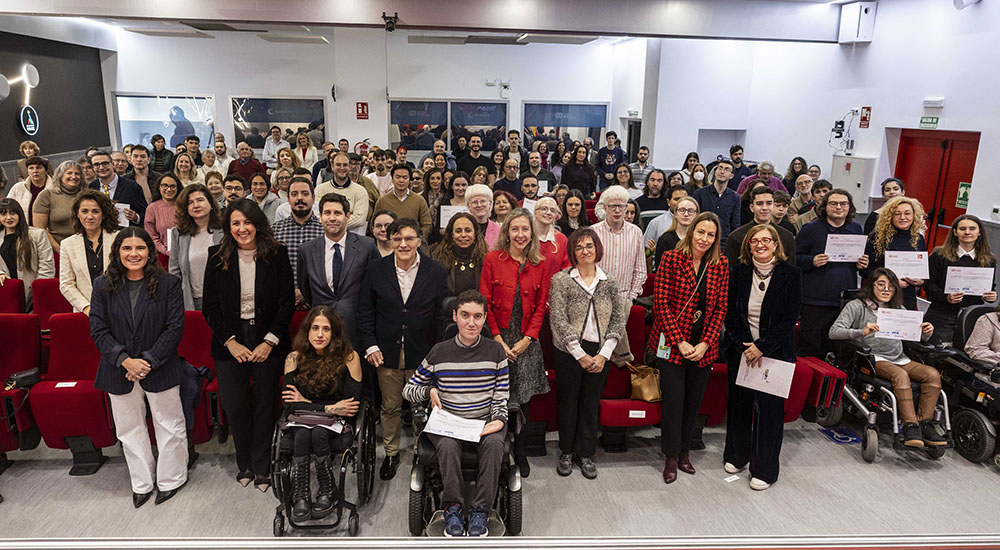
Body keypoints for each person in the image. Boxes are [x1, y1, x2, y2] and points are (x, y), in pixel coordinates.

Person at [89, 227, 187, 508]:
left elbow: (174, 327)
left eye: (140, 248)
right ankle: (142, 482)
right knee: (129, 429)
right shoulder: (101, 285)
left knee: (168, 425)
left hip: (161, 365)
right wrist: (124, 359)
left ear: (150, 251)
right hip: (117, 368)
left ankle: (171, 479)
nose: (134, 254)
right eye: (127, 249)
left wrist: (148, 360)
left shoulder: (168, 283)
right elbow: (98, 328)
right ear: (117, 252)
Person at [203, 199, 295, 491]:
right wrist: (230, 342)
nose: (242, 229)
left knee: (265, 405)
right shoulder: (216, 256)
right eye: (235, 223)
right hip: (230, 340)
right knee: (236, 406)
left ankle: (262, 465)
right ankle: (244, 461)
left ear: (258, 224)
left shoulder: (277, 254)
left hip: (268, 338)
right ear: (228, 227)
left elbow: (286, 303)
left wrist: (270, 341)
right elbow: (210, 307)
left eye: (247, 222)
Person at [402, 290, 509, 537]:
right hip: (448, 421)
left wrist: (499, 420)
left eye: (477, 316)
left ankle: (481, 510)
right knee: (448, 447)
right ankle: (452, 507)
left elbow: (501, 395)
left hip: (484, 420)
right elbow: (409, 389)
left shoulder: (496, 352)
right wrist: (429, 391)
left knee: (495, 445)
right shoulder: (439, 351)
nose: (471, 322)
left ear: (484, 319)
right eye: (465, 315)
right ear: (454, 316)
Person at [359, 218, 448, 481]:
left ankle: (422, 452)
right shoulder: (376, 269)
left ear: (420, 240)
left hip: (423, 351)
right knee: (390, 406)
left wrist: (437, 352)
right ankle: (391, 452)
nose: (403, 243)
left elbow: (443, 317)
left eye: (409, 238)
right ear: (390, 240)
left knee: (421, 406)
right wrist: (370, 345)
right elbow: (365, 311)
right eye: (397, 238)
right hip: (385, 349)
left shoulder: (436, 271)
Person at [648, 212, 729, 484]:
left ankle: (685, 452)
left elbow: (720, 308)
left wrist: (705, 343)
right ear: (691, 232)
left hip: (703, 344)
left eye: (711, 234)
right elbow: (661, 305)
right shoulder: (671, 258)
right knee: (674, 402)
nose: (705, 238)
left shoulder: (720, 264)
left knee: (693, 402)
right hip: (673, 342)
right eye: (701, 232)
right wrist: (679, 341)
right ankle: (671, 456)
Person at [723, 224, 801, 491]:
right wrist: (745, 344)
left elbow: (789, 318)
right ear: (748, 245)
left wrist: (763, 346)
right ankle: (736, 455)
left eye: (766, 240)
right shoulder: (738, 272)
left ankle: (765, 469)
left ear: (776, 244)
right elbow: (730, 313)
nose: (760, 244)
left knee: (769, 412)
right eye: (755, 241)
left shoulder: (791, 274)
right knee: (740, 406)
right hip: (742, 351)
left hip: (775, 354)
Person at [829, 268, 945, 447]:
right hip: (872, 358)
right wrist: (861, 331)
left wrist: (925, 333)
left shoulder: (898, 308)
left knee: (933, 374)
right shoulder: (856, 306)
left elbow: (914, 337)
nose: (886, 289)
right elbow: (834, 332)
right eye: (881, 284)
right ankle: (910, 425)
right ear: (871, 286)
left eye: (891, 286)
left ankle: (925, 424)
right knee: (900, 375)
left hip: (899, 357)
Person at [548, 228, 625, 479]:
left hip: (601, 350)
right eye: (579, 247)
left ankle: (587, 454)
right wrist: (578, 353)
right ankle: (567, 452)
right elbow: (558, 318)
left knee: (590, 403)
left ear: (597, 249)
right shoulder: (561, 280)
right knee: (568, 403)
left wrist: (604, 354)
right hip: (569, 351)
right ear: (572, 251)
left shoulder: (609, 281)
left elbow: (618, 319)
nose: (585, 251)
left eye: (589, 246)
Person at [480, 208, 551, 477]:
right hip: (497, 339)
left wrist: (527, 340)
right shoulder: (491, 260)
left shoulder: (540, 263)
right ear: (507, 232)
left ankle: (520, 451)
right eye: (515, 229)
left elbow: (540, 307)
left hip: (526, 341)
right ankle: (497, 450)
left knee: (523, 399)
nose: (520, 235)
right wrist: (497, 339)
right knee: (496, 397)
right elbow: (485, 302)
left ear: (531, 233)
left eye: (525, 229)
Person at [281, 306, 363, 521]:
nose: (319, 334)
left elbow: (351, 407)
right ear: (306, 331)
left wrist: (306, 403)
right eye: (315, 328)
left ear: (335, 333)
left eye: (326, 329)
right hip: (304, 420)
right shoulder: (293, 358)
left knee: (316, 433)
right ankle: (301, 493)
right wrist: (327, 408)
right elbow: (289, 406)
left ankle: (327, 489)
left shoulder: (350, 357)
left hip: (336, 424)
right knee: (303, 433)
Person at [297, 193, 380, 349]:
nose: (332, 218)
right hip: (321, 333)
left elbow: (375, 288)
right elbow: (306, 288)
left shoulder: (367, 246)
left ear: (347, 216)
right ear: (320, 217)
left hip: (357, 331)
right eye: (327, 213)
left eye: (338, 213)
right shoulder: (306, 250)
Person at [795, 189, 869, 358]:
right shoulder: (811, 229)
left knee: (838, 351)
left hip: (844, 302)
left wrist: (862, 264)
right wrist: (811, 261)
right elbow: (794, 259)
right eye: (833, 203)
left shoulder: (856, 229)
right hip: (815, 301)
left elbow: (861, 266)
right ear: (825, 206)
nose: (838, 207)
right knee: (811, 349)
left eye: (843, 204)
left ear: (849, 207)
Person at [590, 186, 646, 360]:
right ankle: (621, 356)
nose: (616, 210)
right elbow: (587, 267)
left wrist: (631, 296)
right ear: (604, 208)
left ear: (626, 207)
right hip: (597, 294)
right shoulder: (593, 232)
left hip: (624, 295)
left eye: (621, 206)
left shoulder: (635, 232)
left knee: (619, 313)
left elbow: (641, 269)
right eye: (612, 206)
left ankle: (610, 356)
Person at [923, 214, 998, 344]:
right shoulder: (939, 255)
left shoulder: (988, 259)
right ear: (955, 232)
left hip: (971, 316)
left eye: (972, 228)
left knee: (964, 355)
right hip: (941, 314)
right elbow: (928, 284)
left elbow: (990, 287)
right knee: (936, 351)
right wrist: (946, 297)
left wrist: (991, 296)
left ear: (979, 232)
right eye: (962, 229)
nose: (967, 232)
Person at [861, 196, 927, 310]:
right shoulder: (877, 238)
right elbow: (865, 270)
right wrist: (891, 281)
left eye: (907, 213)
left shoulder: (919, 239)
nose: (903, 217)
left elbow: (923, 270)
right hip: (880, 296)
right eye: (897, 214)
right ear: (890, 216)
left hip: (907, 297)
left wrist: (921, 281)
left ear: (914, 216)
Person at [59, 190, 120, 314]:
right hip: (84, 311)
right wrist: (86, 307)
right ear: (77, 214)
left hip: (118, 309)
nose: (90, 216)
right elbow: (66, 284)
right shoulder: (67, 244)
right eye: (84, 211)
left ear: (103, 214)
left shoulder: (119, 239)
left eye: (95, 211)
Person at [168, 184, 223, 311]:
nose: (196, 205)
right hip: (191, 299)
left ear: (211, 203)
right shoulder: (177, 233)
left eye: (200, 200)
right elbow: (174, 269)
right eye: (190, 202)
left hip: (220, 298)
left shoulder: (224, 230)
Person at [272, 179, 324, 309]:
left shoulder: (324, 231)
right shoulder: (274, 231)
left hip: (317, 303)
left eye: (305, 194)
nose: (300, 198)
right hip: (281, 303)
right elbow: (270, 269)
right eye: (294, 194)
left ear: (313, 198)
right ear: (288, 199)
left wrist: (306, 292)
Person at [0, 199, 55, 310]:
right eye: (3, 213)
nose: (8, 217)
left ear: (20, 214)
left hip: (34, 296)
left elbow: (47, 268)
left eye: (13, 213)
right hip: (5, 296)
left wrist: (37, 294)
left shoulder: (37, 235)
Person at [724, 186, 796, 266]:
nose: (764, 208)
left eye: (769, 203)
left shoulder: (787, 237)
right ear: (752, 207)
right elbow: (729, 271)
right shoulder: (736, 237)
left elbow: (791, 269)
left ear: (773, 205)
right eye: (759, 204)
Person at [32, 160, 86, 254]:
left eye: (77, 174)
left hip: (85, 247)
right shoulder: (46, 195)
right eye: (69, 173)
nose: (74, 177)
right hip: (56, 250)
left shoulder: (86, 195)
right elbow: (40, 228)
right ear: (60, 176)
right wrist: (58, 248)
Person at [314, 152, 370, 236]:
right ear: (332, 167)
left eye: (345, 165)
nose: (342, 168)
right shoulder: (320, 190)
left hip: (354, 240)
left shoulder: (360, 191)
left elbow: (359, 219)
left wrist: (331, 224)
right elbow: (316, 217)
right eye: (338, 165)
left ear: (349, 167)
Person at [433, 212, 488, 296]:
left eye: (468, 230)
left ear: (475, 233)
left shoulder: (487, 259)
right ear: (452, 235)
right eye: (458, 231)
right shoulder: (438, 259)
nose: (463, 235)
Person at [372, 164, 433, 238]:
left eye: (405, 177)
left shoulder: (419, 200)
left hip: (412, 243)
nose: (401, 180)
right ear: (392, 179)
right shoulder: (382, 200)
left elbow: (427, 225)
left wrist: (415, 238)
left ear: (410, 180)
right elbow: (373, 224)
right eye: (397, 177)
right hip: (388, 243)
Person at [89, 151, 147, 226]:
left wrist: (136, 217)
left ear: (112, 164)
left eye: (105, 163)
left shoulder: (132, 187)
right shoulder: (92, 187)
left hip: (125, 234)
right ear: (93, 168)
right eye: (96, 164)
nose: (101, 167)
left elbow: (146, 213)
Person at [692, 160, 739, 244]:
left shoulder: (735, 197)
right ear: (715, 172)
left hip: (723, 242)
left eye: (726, 169)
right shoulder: (700, 193)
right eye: (720, 168)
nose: (722, 172)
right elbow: (694, 219)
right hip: (701, 240)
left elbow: (735, 224)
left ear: (731, 176)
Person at [653, 196, 700, 272]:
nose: (686, 214)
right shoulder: (665, 240)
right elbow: (661, 270)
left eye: (690, 211)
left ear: (696, 215)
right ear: (675, 214)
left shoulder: (700, 239)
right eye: (682, 210)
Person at [143, 174, 183, 256]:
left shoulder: (184, 206)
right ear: (159, 187)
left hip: (185, 253)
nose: (169, 189)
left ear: (178, 188)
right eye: (165, 185)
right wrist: (166, 251)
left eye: (173, 186)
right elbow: (151, 236)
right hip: (161, 255)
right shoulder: (152, 208)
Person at [8, 156, 54, 226]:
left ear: (46, 170)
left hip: (49, 231)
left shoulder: (55, 188)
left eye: (39, 167)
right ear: (27, 171)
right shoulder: (17, 188)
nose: (35, 171)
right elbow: (8, 208)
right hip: (25, 231)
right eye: (31, 168)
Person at [643, 184, 690, 249]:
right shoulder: (656, 223)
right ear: (668, 202)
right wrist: (652, 251)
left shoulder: (695, 222)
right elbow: (645, 250)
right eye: (677, 199)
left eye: (684, 199)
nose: (681, 202)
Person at [533, 197, 570, 276]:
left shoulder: (562, 239)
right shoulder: (525, 236)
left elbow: (566, 269)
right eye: (544, 209)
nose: (548, 213)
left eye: (553, 211)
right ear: (535, 212)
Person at [466, 184, 501, 250]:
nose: (479, 205)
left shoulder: (499, 230)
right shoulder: (464, 228)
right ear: (468, 205)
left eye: (483, 201)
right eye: (475, 202)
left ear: (490, 203)